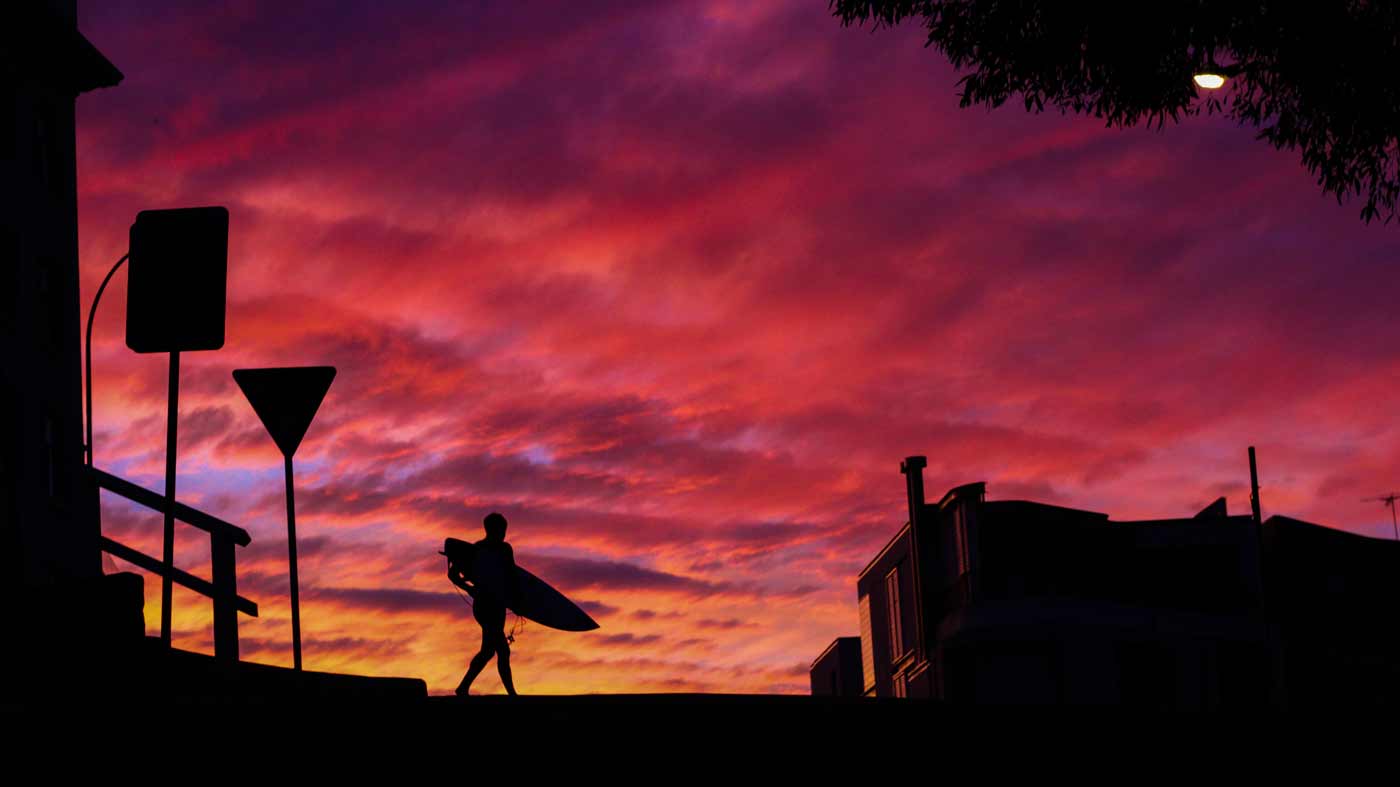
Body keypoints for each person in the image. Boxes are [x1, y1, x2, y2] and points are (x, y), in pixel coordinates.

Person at [450, 511, 518, 696]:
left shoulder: (505, 549)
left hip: (498, 605)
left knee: (488, 651)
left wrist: (518, 602)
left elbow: (511, 577)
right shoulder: (476, 550)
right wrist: (469, 589)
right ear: (491, 529)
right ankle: (512, 694)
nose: (503, 533)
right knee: (502, 650)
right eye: (501, 529)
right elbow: (453, 574)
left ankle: (463, 687)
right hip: (484, 605)